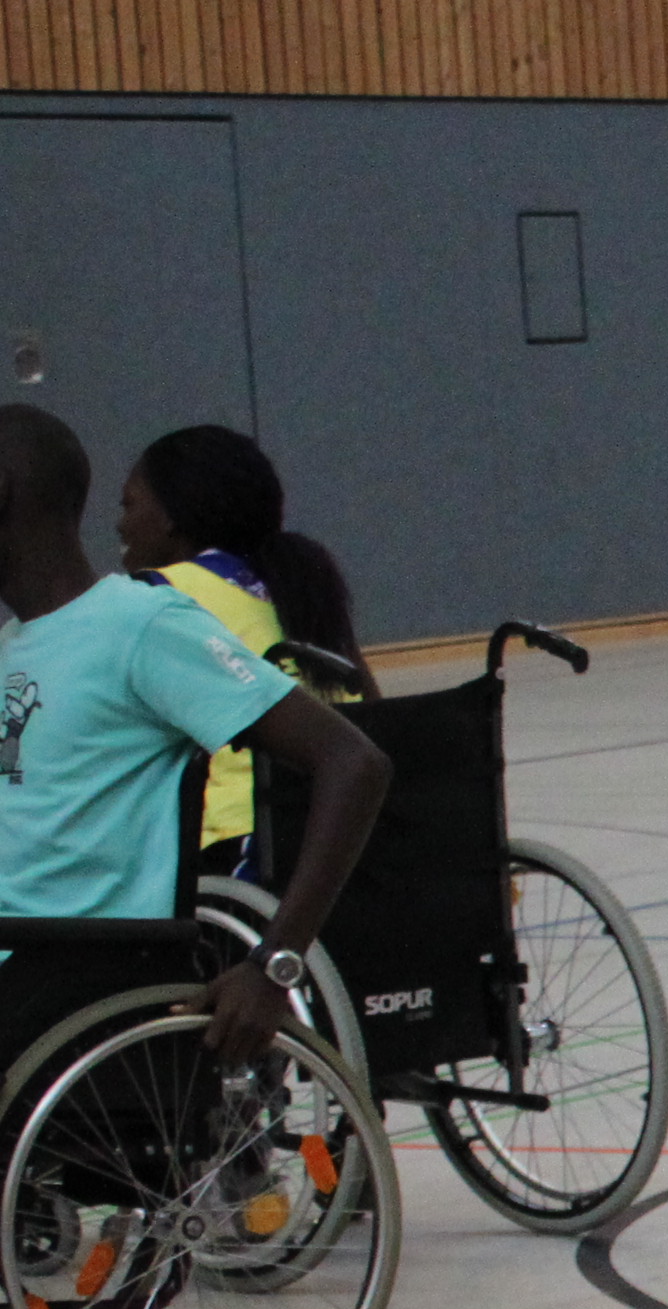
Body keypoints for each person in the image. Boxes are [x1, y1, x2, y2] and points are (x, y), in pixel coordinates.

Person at [0, 404, 389, 1075]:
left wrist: (275, 963)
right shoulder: (14, 647)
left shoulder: (138, 625)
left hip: (71, 970)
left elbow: (353, 761)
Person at [112, 423, 359, 868]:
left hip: (237, 843)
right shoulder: (301, 585)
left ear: (170, 518)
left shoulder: (160, 595)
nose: (119, 524)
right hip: (342, 828)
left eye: (128, 505)